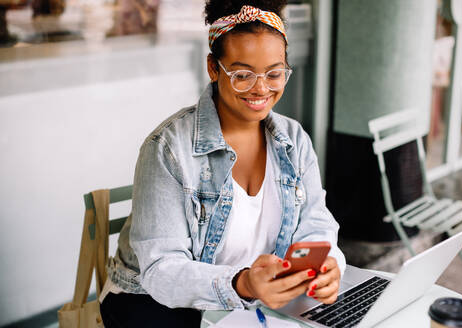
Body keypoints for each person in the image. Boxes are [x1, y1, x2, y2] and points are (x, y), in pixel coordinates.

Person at [99, 0, 346, 326]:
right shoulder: (168, 147)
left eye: (274, 73)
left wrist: (327, 264)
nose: (261, 88)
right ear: (214, 68)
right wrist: (241, 283)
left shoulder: (294, 140)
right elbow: (162, 270)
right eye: (243, 74)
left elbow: (315, 223)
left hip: (249, 301)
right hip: (157, 301)